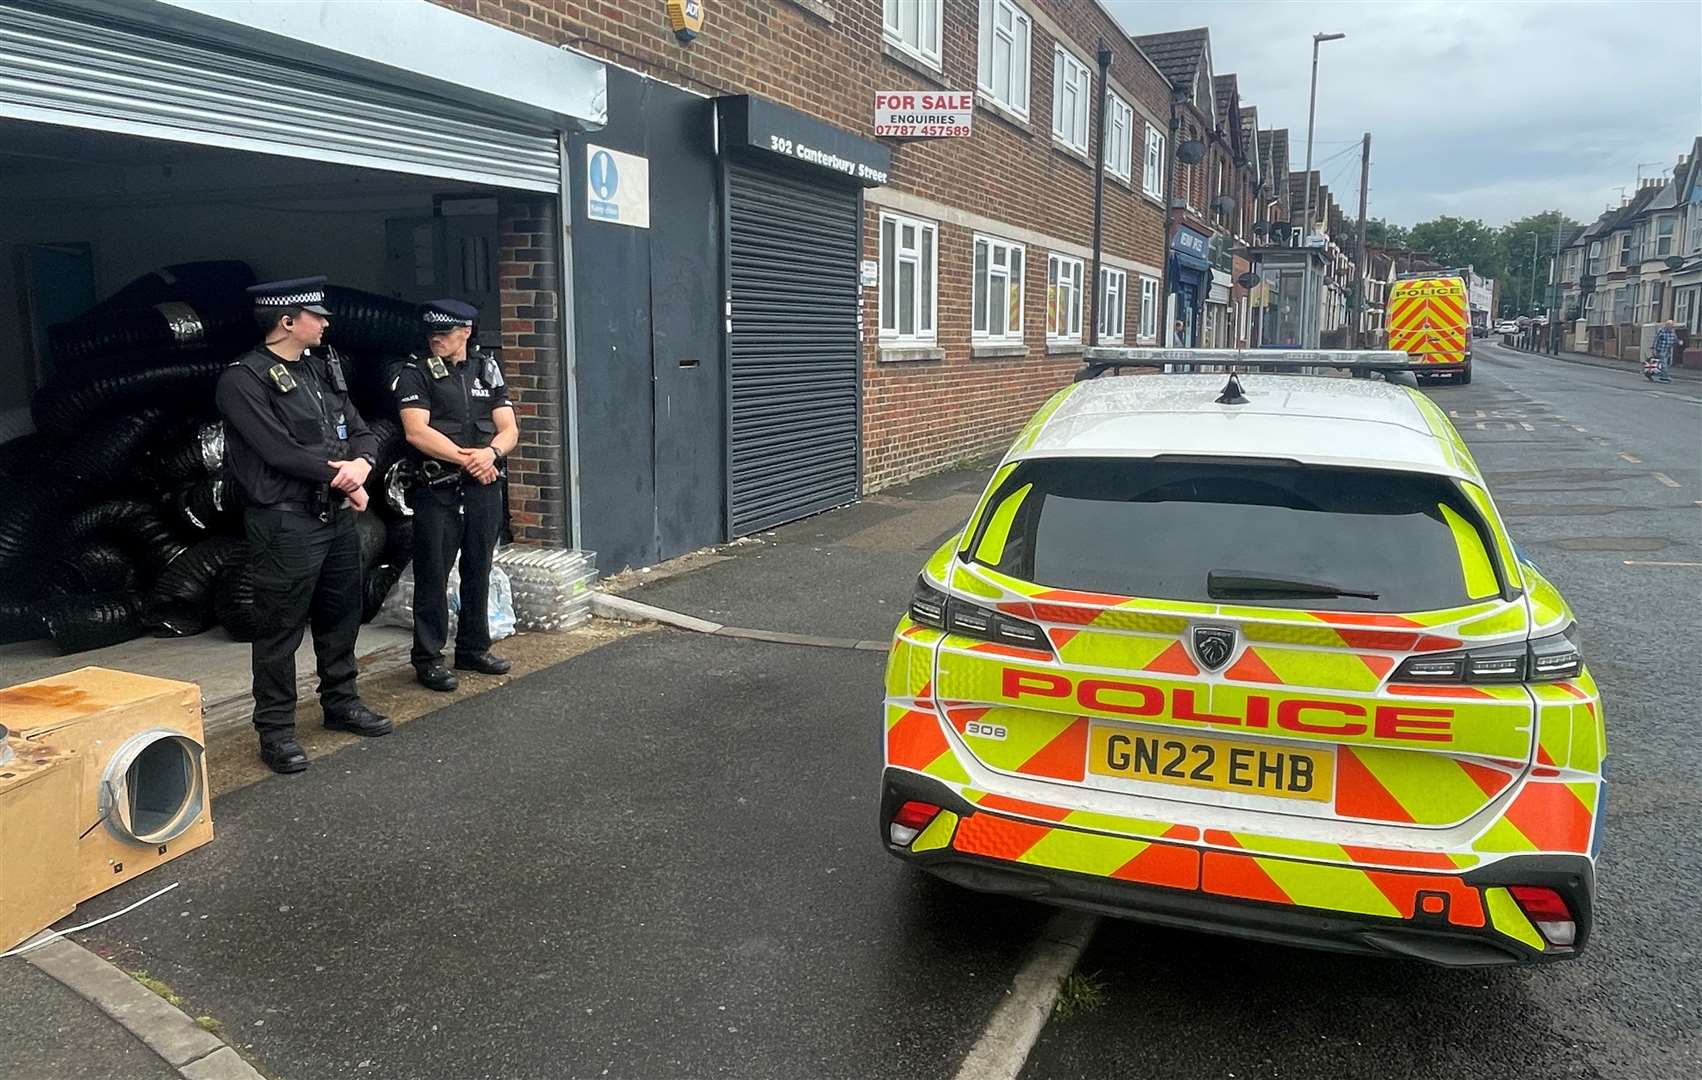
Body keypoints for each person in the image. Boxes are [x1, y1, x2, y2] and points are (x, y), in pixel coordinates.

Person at [215, 276, 391, 774]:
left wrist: (363, 465)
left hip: (333, 518)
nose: (327, 323)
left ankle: (341, 703)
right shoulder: (243, 379)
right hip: (285, 523)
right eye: (317, 315)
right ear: (287, 322)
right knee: (279, 630)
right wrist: (349, 482)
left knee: (341, 615)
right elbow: (278, 452)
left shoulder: (319, 370)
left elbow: (358, 429)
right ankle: (275, 731)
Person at [394, 300, 519, 692]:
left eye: (445, 333)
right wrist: (468, 459)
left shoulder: (486, 368)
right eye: (431, 333)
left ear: (465, 332)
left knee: (479, 567)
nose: (437, 339)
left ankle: (473, 648)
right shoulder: (415, 373)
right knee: (433, 573)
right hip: (438, 488)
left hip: (484, 484)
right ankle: (428, 658)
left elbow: (508, 427)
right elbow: (416, 431)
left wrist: (491, 454)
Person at [1650, 318, 1677, 383]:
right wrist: (1653, 348)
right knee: (1664, 363)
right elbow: (1656, 340)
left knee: (1663, 363)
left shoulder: (1672, 332)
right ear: (1667, 325)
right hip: (1661, 350)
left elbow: (1675, 339)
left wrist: (1679, 342)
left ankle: (1656, 373)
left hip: (1668, 350)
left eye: (1672, 325)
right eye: (1670, 325)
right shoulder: (1661, 331)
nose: (1671, 327)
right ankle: (1664, 377)